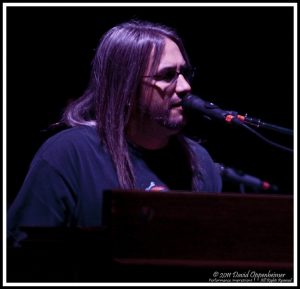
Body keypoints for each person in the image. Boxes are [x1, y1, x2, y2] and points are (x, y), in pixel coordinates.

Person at [7, 19, 222, 247]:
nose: (184, 86)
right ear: (126, 87)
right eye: (167, 75)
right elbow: (21, 252)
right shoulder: (69, 154)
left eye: (185, 73)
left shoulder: (199, 161)